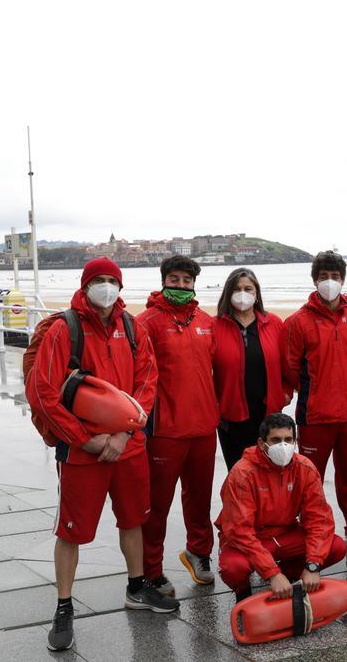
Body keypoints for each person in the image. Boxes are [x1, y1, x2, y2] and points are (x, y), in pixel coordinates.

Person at [27, 257, 176, 652]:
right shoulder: (65, 329)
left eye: (113, 280)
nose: (107, 287)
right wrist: (85, 439)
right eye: (100, 280)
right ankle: (63, 606)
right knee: (71, 531)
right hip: (82, 451)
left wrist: (124, 435)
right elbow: (44, 391)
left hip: (128, 447)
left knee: (133, 520)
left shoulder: (132, 327)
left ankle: (136, 587)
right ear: (86, 284)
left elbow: (148, 381)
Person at [137, 255, 220, 595]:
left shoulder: (207, 322)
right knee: (156, 505)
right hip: (164, 431)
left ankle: (199, 552)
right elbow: (138, 376)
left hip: (203, 428)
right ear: (163, 280)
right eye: (175, 279)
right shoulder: (146, 322)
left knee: (200, 499)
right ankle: (150, 571)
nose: (181, 286)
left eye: (187, 281)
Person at [284, 250, 347, 542]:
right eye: (324, 277)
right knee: (310, 480)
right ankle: (312, 532)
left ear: (343, 280)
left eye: (335, 277)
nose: (330, 282)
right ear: (314, 280)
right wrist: (317, 390)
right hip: (314, 416)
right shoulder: (298, 321)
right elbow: (291, 367)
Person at [216, 412, 347, 602]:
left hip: (287, 534)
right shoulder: (242, 473)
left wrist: (313, 566)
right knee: (233, 568)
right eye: (276, 440)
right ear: (262, 444)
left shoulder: (305, 468)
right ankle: (243, 594)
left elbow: (320, 519)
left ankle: (292, 576)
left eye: (288, 439)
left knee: (336, 547)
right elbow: (240, 531)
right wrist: (272, 573)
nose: (283, 445)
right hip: (254, 537)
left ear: (295, 441)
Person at [212, 268, 291, 470]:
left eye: (248, 288)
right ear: (228, 293)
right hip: (232, 416)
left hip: (268, 413)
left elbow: (287, 364)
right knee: (239, 472)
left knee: (270, 472)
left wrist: (286, 393)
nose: (243, 293)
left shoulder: (273, 323)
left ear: (256, 294)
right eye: (237, 289)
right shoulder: (215, 326)